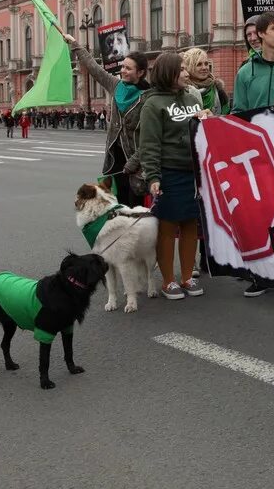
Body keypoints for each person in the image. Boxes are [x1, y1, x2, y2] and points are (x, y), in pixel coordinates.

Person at [231, 11, 274, 298]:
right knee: (262, 215)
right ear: (260, 34)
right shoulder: (245, 73)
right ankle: (263, 274)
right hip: (257, 155)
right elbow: (237, 113)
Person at [139, 51, 210, 300]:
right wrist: (153, 177)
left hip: (194, 171)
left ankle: (187, 276)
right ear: (168, 72)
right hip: (169, 172)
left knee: (191, 224)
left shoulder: (193, 96)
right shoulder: (153, 104)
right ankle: (168, 281)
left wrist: (206, 120)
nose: (186, 73)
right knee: (168, 227)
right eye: (180, 69)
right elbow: (149, 144)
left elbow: (202, 132)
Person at [62, 32, 150, 208]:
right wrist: (75, 45)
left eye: (128, 68)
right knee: (120, 205)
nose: (123, 71)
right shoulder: (117, 86)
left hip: (137, 160)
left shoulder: (148, 96)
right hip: (115, 158)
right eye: (123, 67)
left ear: (140, 72)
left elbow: (150, 136)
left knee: (137, 207)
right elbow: (94, 69)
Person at [183, 47, 230, 115]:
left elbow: (227, 116)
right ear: (189, 67)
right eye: (199, 64)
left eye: (206, 63)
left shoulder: (217, 89)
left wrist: (213, 118)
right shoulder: (182, 90)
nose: (204, 68)